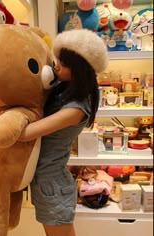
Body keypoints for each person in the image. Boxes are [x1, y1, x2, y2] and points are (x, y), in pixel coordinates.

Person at [18, 29, 108, 236]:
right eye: (58, 58)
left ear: (79, 70)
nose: (57, 64)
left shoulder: (75, 109)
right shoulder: (64, 89)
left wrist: (7, 122)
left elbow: (26, 133)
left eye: (64, 63)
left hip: (52, 185)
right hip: (49, 182)